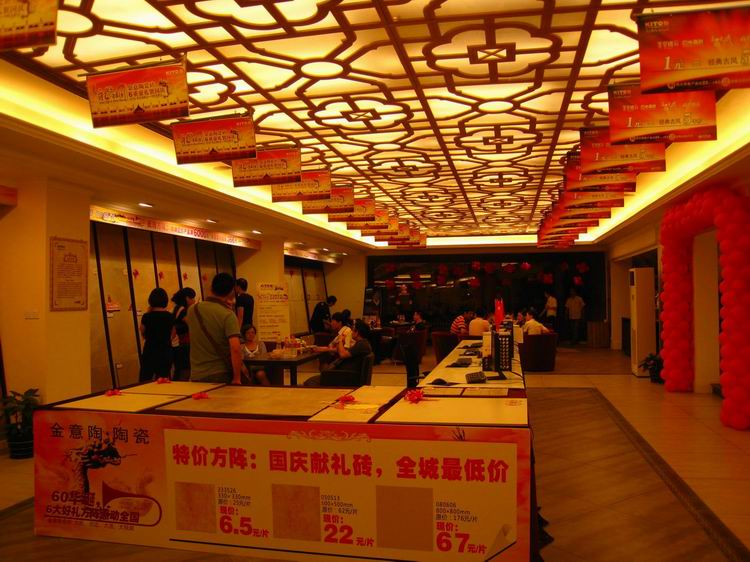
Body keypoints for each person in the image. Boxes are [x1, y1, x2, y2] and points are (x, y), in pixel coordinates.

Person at [186, 272, 245, 384]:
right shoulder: (228, 314)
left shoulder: (192, 310)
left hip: (196, 374)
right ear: (231, 292)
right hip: (220, 374)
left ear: (211, 287)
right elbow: (235, 348)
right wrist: (237, 378)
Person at [305, 320, 373, 386]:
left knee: (310, 382)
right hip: (347, 374)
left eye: (353, 330)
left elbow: (342, 354)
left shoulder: (361, 345)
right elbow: (343, 351)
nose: (351, 332)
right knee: (321, 371)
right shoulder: (362, 343)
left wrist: (340, 340)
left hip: (345, 376)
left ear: (357, 332)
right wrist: (322, 349)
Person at [139, 288, 175, 382]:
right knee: (163, 380)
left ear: (150, 300)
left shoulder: (147, 316)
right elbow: (173, 334)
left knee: (145, 379)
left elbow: (142, 331)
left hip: (150, 350)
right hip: (165, 350)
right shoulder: (170, 316)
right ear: (165, 300)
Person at [171, 287, 196, 381]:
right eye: (192, 298)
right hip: (184, 344)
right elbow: (192, 324)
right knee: (185, 370)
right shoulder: (183, 310)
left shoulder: (176, 308)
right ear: (187, 298)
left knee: (179, 370)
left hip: (178, 344)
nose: (194, 301)